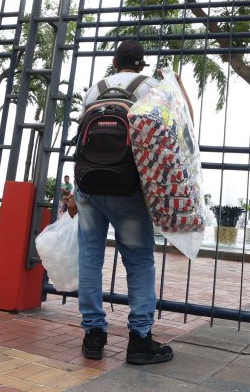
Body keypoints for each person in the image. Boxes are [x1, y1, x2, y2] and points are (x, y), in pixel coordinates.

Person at [76, 39, 174, 365]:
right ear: (142, 63)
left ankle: (93, 335)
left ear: (115, 60)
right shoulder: (151, 88)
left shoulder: (96, 89)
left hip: (89, 185)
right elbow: (163, 138)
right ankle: (140, 339)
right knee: (138, 262)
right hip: (129, 188)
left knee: (89, 259)